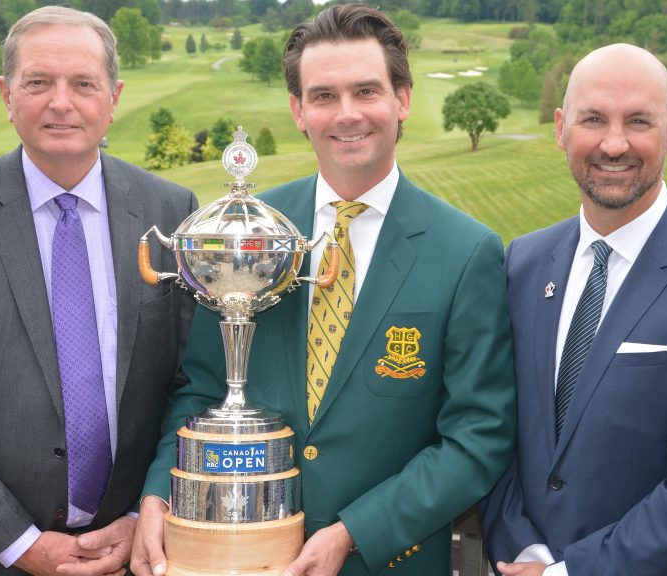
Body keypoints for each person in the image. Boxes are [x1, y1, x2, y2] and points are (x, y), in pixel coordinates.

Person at [131, 5, 515, 576]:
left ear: (402, 100)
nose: (348, 114)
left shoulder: (465, 251)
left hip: (388, 561)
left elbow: (478, 438)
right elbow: (203, 389)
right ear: (298, 110)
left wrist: (354, 533)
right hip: (239, 554)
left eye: (367, 91)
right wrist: (160, 492)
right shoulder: (248, 230)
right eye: (324, 96)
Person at [0, 7, 197, 575]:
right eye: (38, 83)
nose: (61, 102)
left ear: (114, 96)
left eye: (83, 83)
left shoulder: (171, 212)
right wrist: (18, 542)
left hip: (132, 551)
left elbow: (190, 381)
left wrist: (142, 512)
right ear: (7, 95)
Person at [478, 43, 667, 576]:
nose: (614, 144)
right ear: (559, 128)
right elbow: (496, 431)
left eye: (638, 121)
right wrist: (524, 551)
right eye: (593, 119)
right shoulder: (523, 263)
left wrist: (564, 574)